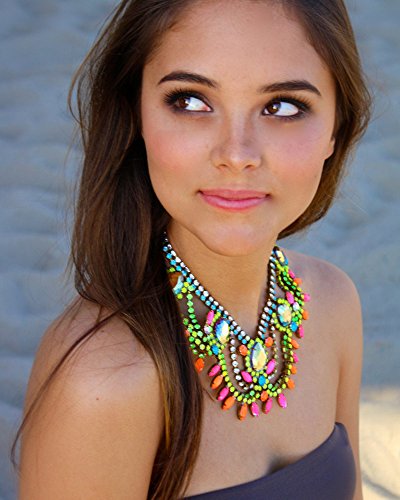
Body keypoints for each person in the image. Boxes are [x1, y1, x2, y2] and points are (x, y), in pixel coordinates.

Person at [12, 0, 372, 498]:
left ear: (336, 127)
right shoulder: (102, 382)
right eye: (191, 101)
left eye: (283, 106)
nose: (237, 155)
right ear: (135, 113)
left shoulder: (333, 303)